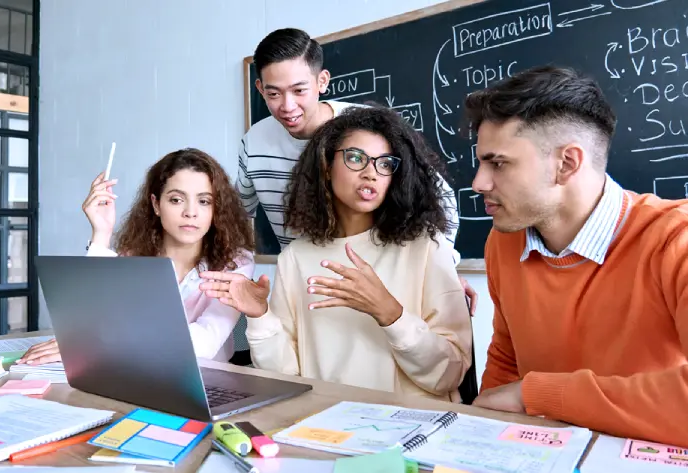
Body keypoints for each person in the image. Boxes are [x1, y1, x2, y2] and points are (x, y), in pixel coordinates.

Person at [466, 65, 688, 446]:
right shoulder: (503, 241)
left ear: (567, 163)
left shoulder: (675, 241)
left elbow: (521, 390)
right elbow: (507, 359)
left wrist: (536, 395)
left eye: (497, 163)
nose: (478, 183)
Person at [202, 105, 473, 401]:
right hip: (323, 427)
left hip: (409, 431)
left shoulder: (426, 247)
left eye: (384, 163)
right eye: (356, 158)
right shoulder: (296, 257)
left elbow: (449, 375)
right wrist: (259, 315)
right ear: (326, 166)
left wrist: (390, 313)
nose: (371, 173)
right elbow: (286, 376)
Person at [238, 27, 478, 313]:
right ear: (259, 89)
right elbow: (238, 215)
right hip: (304, 288)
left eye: (299, 90)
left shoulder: (367, 130)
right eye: (273, 93)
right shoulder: (253, 142)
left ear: (322, 81)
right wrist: (238, 274)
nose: (287, 106)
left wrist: (440, 270)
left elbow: (442, 200)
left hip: (379, 289)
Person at [18, 148, 256, 365]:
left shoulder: (236, 262)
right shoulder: (134, 255)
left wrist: (100, 342)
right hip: (134, 371)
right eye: (176, 200)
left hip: (208, 382)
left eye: (204, 201)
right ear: (156, 204)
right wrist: (101, 233)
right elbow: (90, 320)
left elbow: (205, 344)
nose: (190, 212)